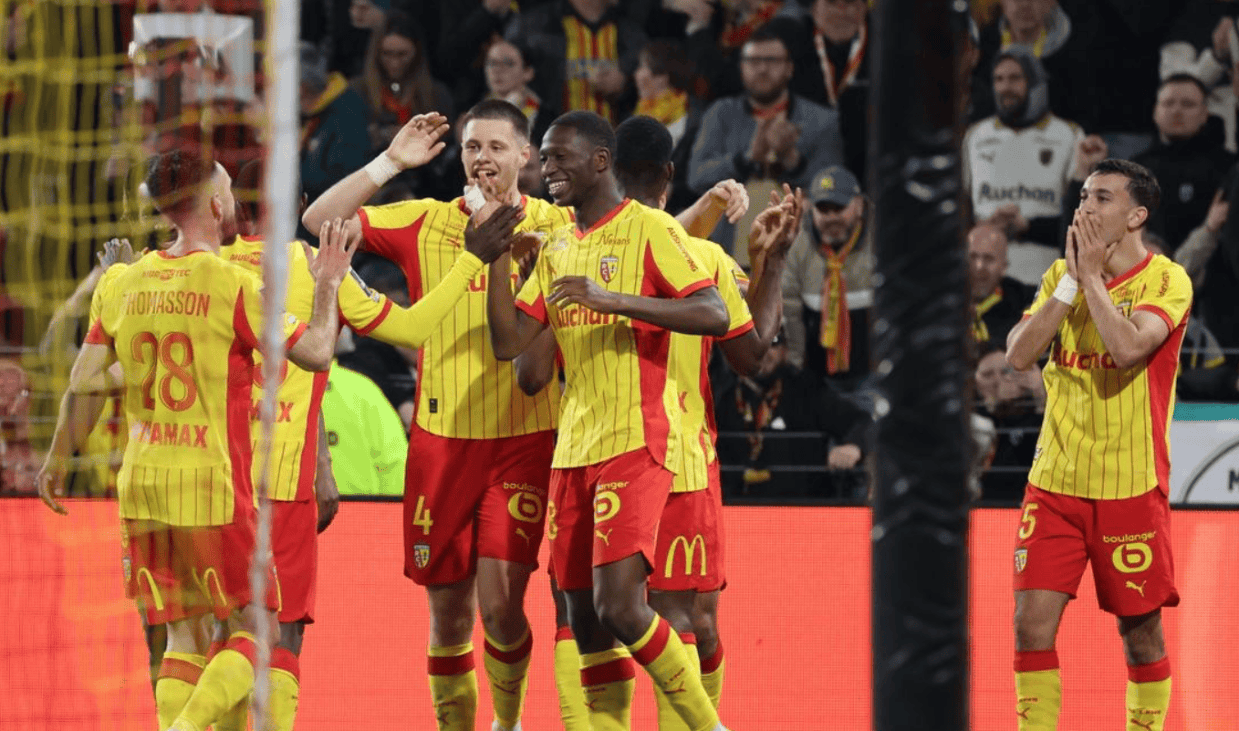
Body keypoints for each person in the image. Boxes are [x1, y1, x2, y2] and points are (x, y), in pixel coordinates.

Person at [35, 148, 354, 731]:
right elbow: (314, 351)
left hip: (142, 487)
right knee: (257, 627)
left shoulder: (123, 281)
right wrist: (329, 283)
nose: (232, 200)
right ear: (213, 203)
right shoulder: (231, 282)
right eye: (227, 189)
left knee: (183, 635)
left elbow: (84, 381)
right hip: (210, 486)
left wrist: (58, 456)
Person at [302, 101, 572, 731]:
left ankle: (508, 723)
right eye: (473, 147)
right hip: (440, 447)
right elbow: (318, 220)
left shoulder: (557, 226)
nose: (483, 159)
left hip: (523, 441)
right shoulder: (426, 220)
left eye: (497, 147)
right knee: (448, 618)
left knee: (502, 608)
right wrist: (390, 162)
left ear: (525, 155)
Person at [486, 110, 731, 731]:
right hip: (573, 448)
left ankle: (709, 727)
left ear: (601, 161)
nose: (547, 169)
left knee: (621, 607)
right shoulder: (558, 246)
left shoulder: (651, 228)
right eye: (543, 158)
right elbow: (511, 347)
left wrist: (613, 300)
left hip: (636, 439)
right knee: (587, 623)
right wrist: (493, 261)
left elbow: (713, 313)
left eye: (558, 157)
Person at [606, 114, 798, 729]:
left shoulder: (585, 249)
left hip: (622, 458)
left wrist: (765, 263)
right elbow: (754, 357)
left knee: (652, 621)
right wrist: (772, 265)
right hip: (668, 458)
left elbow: (748, 350)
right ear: (669, 176)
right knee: (676, 619)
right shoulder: (694, 254)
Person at [1005, 159, 1192, 731]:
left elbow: (1129, 349)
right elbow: (1018, 354)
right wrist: (1071, 280)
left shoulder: (1168, 281)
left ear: (1136, 216)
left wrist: (1090, 280)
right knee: (1029, 626)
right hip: (1054, 485)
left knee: (1141, 636)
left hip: (1129, 486)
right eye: (1084, 195)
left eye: (1102, 198)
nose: (1085, 206)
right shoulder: (1058, 276)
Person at [688, 26, 843, 257]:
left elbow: (833, 187)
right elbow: (696, 176)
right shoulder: (720, 113)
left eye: (772, 61)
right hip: (728, 254)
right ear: (741, 68)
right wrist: (746, 159)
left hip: (800, 255)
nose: (762, 68)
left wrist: (792, 160)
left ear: (789, 68)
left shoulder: (821, 121)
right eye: (753, 61)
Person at [963, 46, 1083, 286]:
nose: (1005, 87)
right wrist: (984, 227)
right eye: (998, 79)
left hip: (1046, 277)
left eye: (1015, 78)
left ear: (1036, 82)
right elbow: (960, 210)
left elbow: (1081, 221)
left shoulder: (1069, 135)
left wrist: (1027, 227)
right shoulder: (975, 136)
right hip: (985, 280)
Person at [713, 328, 868, 499]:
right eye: (752, 344)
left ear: (785, 350)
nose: (763, 352)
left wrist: (853, 446)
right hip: (739, 508)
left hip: (805, 507)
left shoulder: (807, 389)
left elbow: (862, 421)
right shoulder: (723, 396)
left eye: (772, 344)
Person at [780, 165, 873, 384]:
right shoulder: (799, 247)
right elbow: (790, 310)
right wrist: (796, 371)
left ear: (859, 206)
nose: (831, 217)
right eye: (823, 209)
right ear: (811, 209)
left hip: (874, 370)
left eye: (839, 208)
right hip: (818, 374)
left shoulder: (881, 240)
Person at [320, 360, 408, 496]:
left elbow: (395, 464)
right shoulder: (362, 389)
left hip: (359, 504)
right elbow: (395, 465)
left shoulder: (362, 390)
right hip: (363, 506)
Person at [973, 344, 1044, 504]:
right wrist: (992, 407)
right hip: (983, 506)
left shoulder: (1036, 415)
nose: (998, 381)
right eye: (988, 374)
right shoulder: (972, 418)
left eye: (1005, 372)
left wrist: (1039, 396)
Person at [968, 223, 1035, 348]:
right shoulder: (944, 303)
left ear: (1004, 267)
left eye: (989, 258)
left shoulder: (1027, 302)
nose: (979, 266)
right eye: (972, 257)